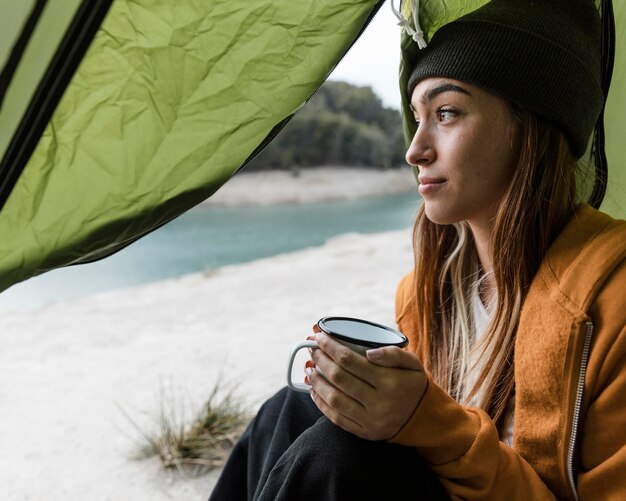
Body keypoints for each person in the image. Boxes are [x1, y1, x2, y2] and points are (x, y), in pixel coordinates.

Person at [210, 0, 625, 499]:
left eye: (447, 113)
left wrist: (428, 422)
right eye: (417, 116)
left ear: (531, 124)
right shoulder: (427, 292)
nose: (414, 150)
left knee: (338, 455)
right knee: (292, 408)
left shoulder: (611, 304)